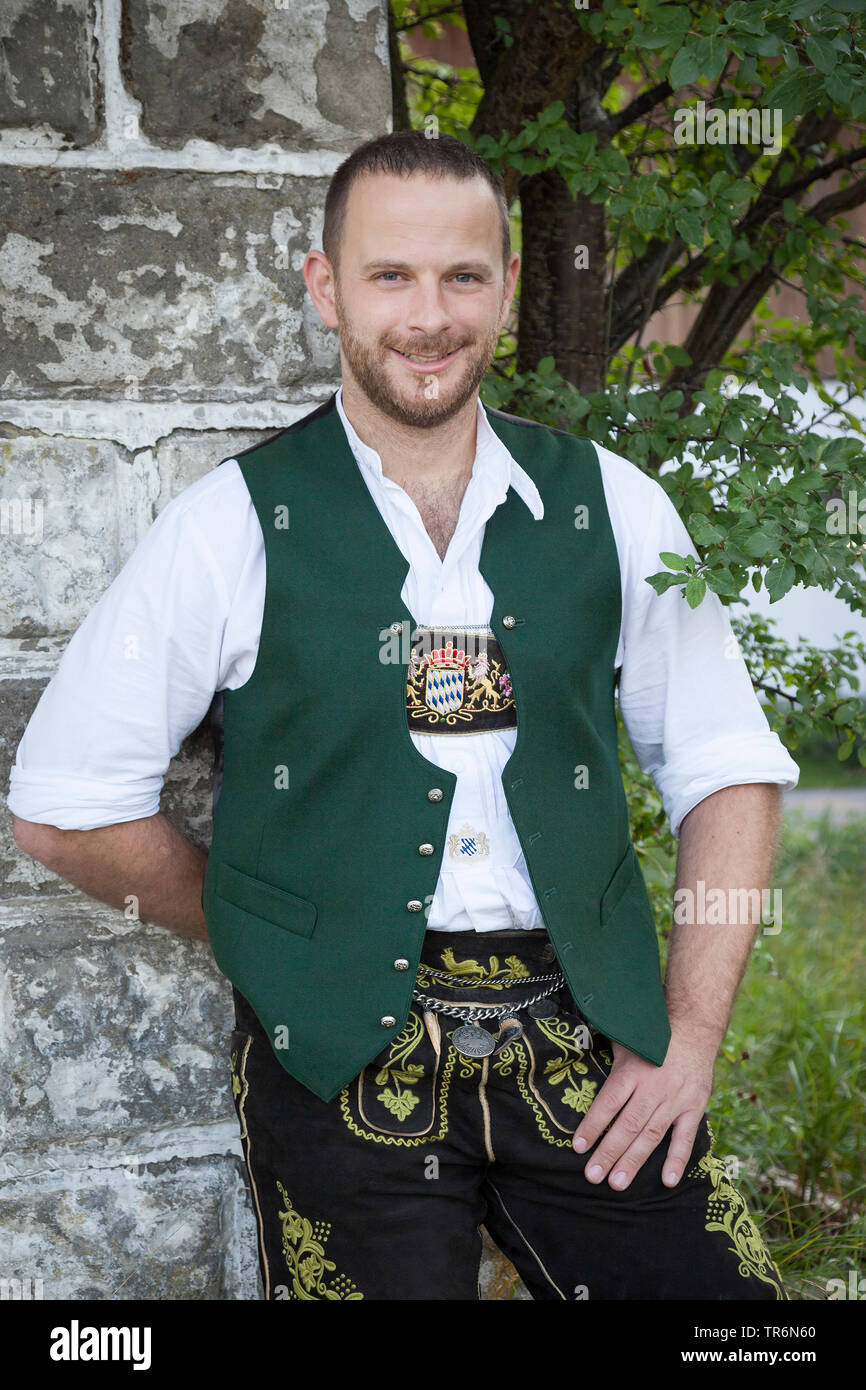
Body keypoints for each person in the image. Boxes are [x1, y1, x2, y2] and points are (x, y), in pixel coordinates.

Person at [9, 130, 800, 1301]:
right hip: (337, 1064)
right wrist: (275, 932)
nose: (426, 316)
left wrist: (687, 1039)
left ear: (508, 287)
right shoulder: (231, 527)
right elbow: (65, 806)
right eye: (389, 276)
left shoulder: (611, 507)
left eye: (461, 277)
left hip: (592, 1044)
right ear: (324, 286)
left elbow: (727, 766)